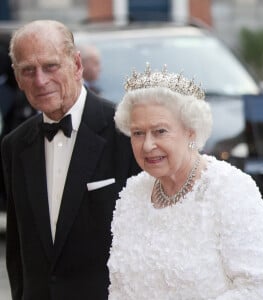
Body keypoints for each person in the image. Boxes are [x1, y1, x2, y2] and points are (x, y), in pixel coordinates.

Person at [108, 64, 263, 299]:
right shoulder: (132, 194)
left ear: (190, 131)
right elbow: (119, 290)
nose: (147, 145)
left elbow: (259, 290)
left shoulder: (230, 190)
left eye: (159, 131)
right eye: (138, 133)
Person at [1, 20, 140, 300]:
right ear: (17, 79)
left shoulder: (127, 133)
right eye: (28, 70)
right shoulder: (14, 145)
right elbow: (17, 249)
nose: (40, 81)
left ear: (77, 65)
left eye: (50, 66)